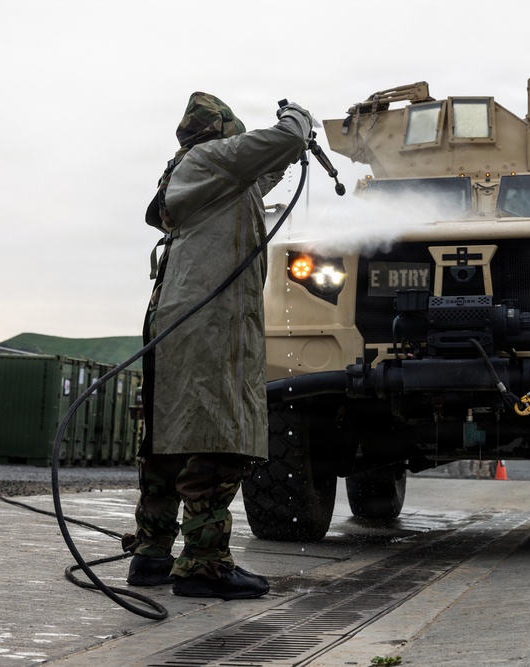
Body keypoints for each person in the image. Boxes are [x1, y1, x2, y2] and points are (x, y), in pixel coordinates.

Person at [121, 92, 313, 600]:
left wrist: (285, 157)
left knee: (167, 436)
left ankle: (151, 555)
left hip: (176, 317)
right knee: (218, 431)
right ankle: (205, 565)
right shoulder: (214, 157)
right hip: (212, 322)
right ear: (225, 129)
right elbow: (287, 138)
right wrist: (297, 118)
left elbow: (263, 171)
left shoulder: (197, 170)